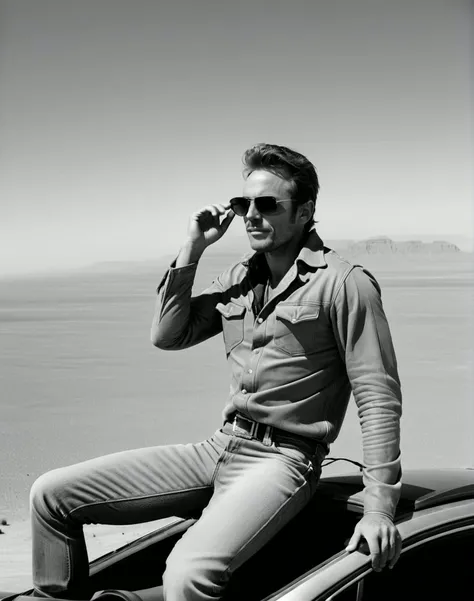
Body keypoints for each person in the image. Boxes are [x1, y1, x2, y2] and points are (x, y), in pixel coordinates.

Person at [30, 143, 403, 601]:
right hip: (220, 446)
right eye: (242, 203)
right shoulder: (239, 278)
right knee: (50, 496)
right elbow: (169, 333)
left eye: (267, 204)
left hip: (282, 461)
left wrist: (380, 509)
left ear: (305, 211)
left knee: (187, 575)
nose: (250, 215)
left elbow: (378, 397)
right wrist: (193, 245)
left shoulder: (345, 284)